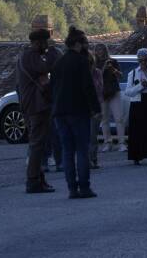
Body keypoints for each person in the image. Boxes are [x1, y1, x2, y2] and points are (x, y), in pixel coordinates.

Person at [50, 26, 101, 198]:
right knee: (81, 150)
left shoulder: (59, 62)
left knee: (67, 150)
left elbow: (53, 88)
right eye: (85, 42)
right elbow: (88, 87)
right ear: (78, 44)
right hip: (78, 111)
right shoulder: (81, 61)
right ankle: (84, 186)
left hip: (59, 111)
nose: (87, 45)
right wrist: (96, 109)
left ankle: (72, 188)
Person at [16, 19, 61, 193]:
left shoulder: (27, 56)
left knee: (40, 143)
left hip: (34, 105)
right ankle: (33, 180)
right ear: (37, 42)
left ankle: (38, 178)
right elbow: (47, 66)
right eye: (44, 42)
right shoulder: (31, 56)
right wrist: (52, 51)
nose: (45, 45)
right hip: (36, 105)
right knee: (37, 143)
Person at [94, 44, 125, 152]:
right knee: (104, 120)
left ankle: (122, 143)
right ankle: (108, 142)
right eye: (97, 50)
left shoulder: (113, 61)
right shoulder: (95, 63)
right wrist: (103, 68)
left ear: (105, 50)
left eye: (101, 49)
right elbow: (96, 77)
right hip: (102, 94)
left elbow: (120, 76)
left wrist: (113, 69)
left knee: (119, 118)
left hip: (114, 92)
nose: (100, 51)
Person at [87, 52, 103, 169]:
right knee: (84, 137)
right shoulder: (81, 74)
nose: (90, 65)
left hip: (96, 108)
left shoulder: (98, 73)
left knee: (93, 136)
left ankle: (93, 158)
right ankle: (87, 160)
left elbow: (100, 91)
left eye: (91, 63)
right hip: (83, 108)